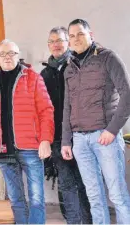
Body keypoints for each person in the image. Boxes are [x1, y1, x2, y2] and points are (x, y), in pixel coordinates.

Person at [62, 19, 130, 224]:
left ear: (91, 34)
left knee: (117, 194)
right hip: (80, 141)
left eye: (80, 34)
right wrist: (66, 140)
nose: (76, 39)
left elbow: (127, 94)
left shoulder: (108, 58)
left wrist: (112, 130)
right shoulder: (69, 68)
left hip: (104, 137)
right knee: (94, 196)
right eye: (71, 36)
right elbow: (67, 106)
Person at [0, 39, 54, 224]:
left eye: (11, 53)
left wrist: (45, 140)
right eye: (2, 54)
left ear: (18, 55)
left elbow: (46, 110)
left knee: (36, 200)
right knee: (16, 200)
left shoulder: (33, 78)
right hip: (4, 149)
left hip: (30, 147)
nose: (7, 57)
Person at [41, 27, 91, 224]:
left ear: (67, 43)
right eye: (52, 41)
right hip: (57, 137)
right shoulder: (44, 73)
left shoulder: (78, 65)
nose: (56, 44)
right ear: (48, 45)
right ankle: (73, 221)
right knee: (66, 183)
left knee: (84, 182)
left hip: (79, 134)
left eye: (60, 40)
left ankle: (87, 221)